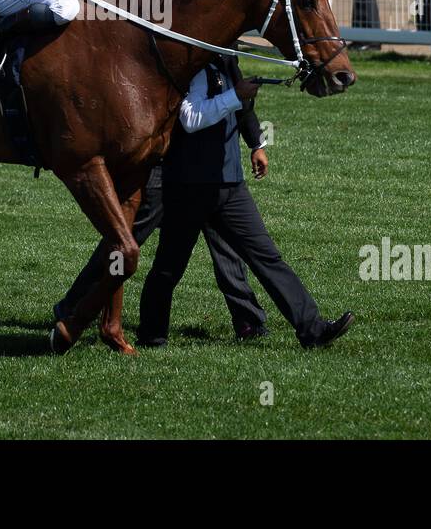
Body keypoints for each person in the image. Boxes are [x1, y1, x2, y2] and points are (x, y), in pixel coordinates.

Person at [54, 0, 271, 340]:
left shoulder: (211, 35)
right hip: (161, 160)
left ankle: (247, 319)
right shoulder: (144, 33)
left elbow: (237, 88)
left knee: (222, 242)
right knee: (127, 236)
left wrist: (255, 140)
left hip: (200, 161)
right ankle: (75, 306)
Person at [136, 49, 355, 350]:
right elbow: (190, 118)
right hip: (189, 187)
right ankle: (151, 336)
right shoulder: (189, 63)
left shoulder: (227, 60)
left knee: (267, 258)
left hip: (230, 186)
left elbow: (242, 108)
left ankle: (312, 329)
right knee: (169, 267)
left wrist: (257, 144)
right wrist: (235, 95)